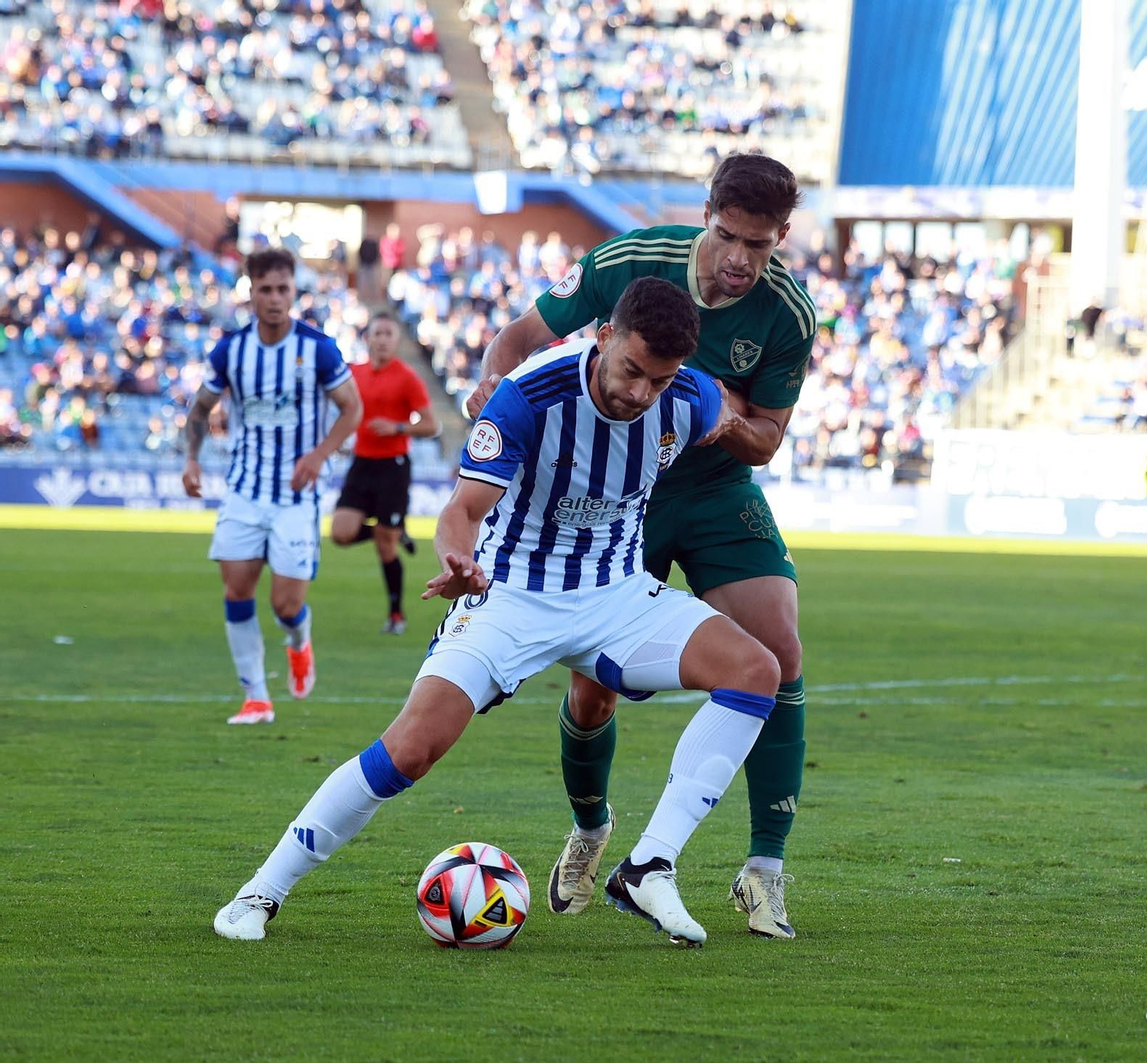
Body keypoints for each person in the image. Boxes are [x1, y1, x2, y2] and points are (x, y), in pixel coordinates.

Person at [214, 277, 777, 947]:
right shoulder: (529, 395)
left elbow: (742, 430)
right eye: (631, 370)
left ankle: (650, 864)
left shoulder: (689, 394)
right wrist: (458, 560)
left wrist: (733, 424)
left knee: (756, 670)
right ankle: (260, 891)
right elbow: (461, 510)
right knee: (412, 748)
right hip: (510, 592)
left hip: (616, 594)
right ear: (603, 337)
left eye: (659, 380)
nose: (640, 393)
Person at [466, 152, 815, 938]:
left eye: (758, 247)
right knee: (595, 692)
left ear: (781, 237)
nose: (739, 260)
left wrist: (730, 421)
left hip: (717, 488)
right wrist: (488, 387)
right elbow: (519, 336)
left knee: (780, 649)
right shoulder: (630, 261)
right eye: (728, 236)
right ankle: (591, 829)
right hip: (617, 491)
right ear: (707, 214)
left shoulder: (789, 315)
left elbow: (766, 441)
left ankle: (764, 868)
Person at [184, 247, 364, 726]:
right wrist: (190, 460)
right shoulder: (231, 350)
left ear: (293, 291)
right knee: (236, 589)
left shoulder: (319, 348)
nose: (275, 298)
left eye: (283, 289)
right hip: (244, 490)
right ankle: (256, 697)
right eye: (265, 289)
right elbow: (200, 409)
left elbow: (352, 408)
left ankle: (298, 642)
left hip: (295, 497)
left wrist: (319, 455)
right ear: (252, 293)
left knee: (286, 603)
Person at [330, 310, 439, 634]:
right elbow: (345, 411)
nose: (381, 340)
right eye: (376, 333)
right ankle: (392, 529)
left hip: (393, 467)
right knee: (340, 532)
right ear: (367, 338)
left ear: (396, 340)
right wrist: (339, 439)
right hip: (361, 463)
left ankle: (396, 614)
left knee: (385, 548)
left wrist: (398, 427)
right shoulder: (354, 374)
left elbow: (432, 424)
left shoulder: (407, 377)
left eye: (388, 334)